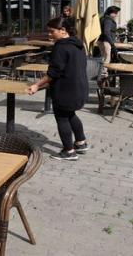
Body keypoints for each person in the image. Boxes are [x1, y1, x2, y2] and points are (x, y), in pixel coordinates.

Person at [27, 17, 88, 161]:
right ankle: (81, 142)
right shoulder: (78, 45)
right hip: (79, 87)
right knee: (70, 114)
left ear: (63, 30)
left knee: (62, 118)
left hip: (65, 89)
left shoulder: (60, 46)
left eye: (51, 31)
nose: (49, 35)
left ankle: (69, 151)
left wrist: (36, 85)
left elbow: (54, 72)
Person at [97, 6, 120, 75]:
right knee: (107, 58)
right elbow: (106, 32)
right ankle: (103, 73)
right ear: (111, 13)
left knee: (103, 58)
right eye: (115, 13)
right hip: (106, 41)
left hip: (101, 40)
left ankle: (101, 72)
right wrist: (112, 43)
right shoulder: (108, 20)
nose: (116, 15)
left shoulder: (103, 18)